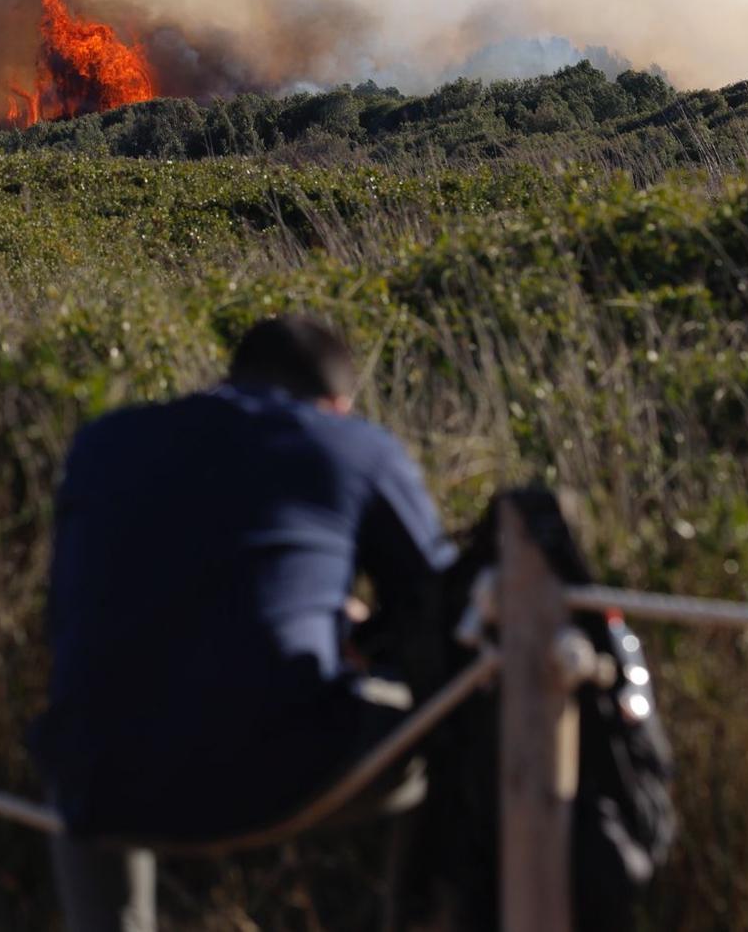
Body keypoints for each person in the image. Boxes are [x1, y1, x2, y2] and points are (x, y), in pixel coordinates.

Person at [29, 314, 458, 930]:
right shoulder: (351, 447)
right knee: (443, 722)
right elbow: (440, 608)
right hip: (268, 764)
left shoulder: (103, 442)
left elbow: (78, 613)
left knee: (97, 734)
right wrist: (361, 640)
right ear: (338, 404)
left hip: (97, 779)